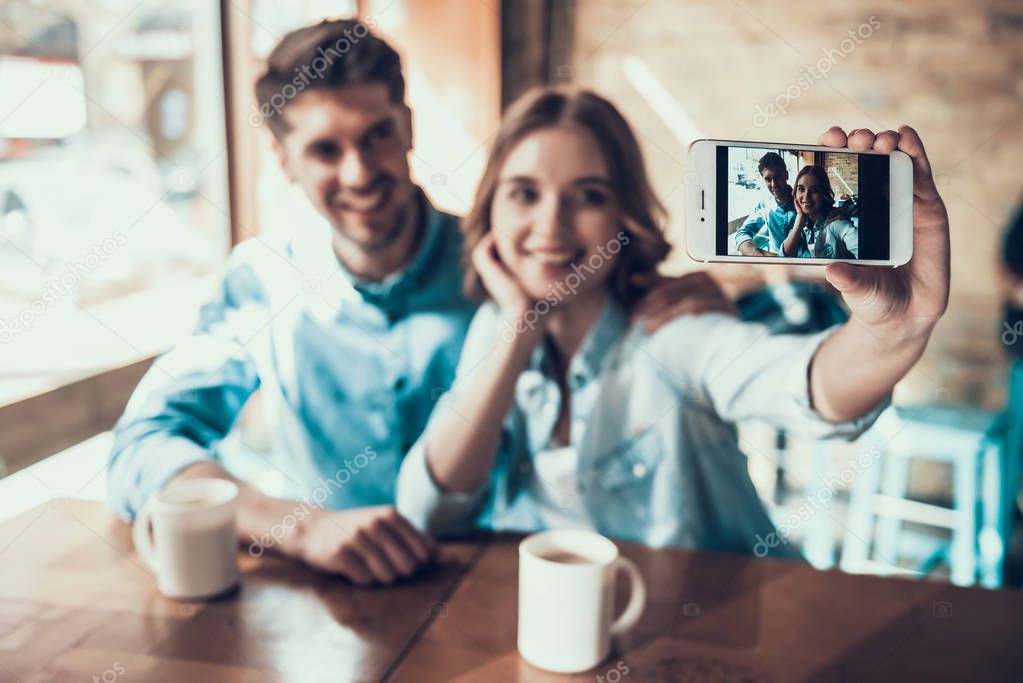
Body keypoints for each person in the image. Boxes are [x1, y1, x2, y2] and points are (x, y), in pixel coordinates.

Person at [106, 20, 729, 585]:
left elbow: (625, 305)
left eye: (377, 136)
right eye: (325, 150)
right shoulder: (262, 282)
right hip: (325, 594)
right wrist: (302, 528)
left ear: (408, 127)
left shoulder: (514, 263)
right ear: (283, 161)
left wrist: (712, 289)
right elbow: (146, 443)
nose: (358, 173)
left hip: (501, 588)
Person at [395, 88, 950, 557]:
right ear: (490, 206)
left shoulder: (671, 327)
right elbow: (427, 509)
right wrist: (517, 330)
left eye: (588, 196)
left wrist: (890, 333)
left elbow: (806, 386)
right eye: (524, 193)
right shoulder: (495, 325)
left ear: (624, 215)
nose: (550, 223)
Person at [782, 165, 859, 259]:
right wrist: (800, 218)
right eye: (801, 189)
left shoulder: (836, 222)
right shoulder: (803, 226)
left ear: (824, 193)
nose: (806, 196)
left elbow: (868, 254)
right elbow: (784, 256)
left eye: (814, 190)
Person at [734, 152, 797, 256]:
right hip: (775, 263)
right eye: (768, 179)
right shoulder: (765, 204)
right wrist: (762, 256)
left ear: (786, 175)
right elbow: (742, 234)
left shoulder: (804, 201)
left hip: (802, 263)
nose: (774, 184)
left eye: (777, 177)